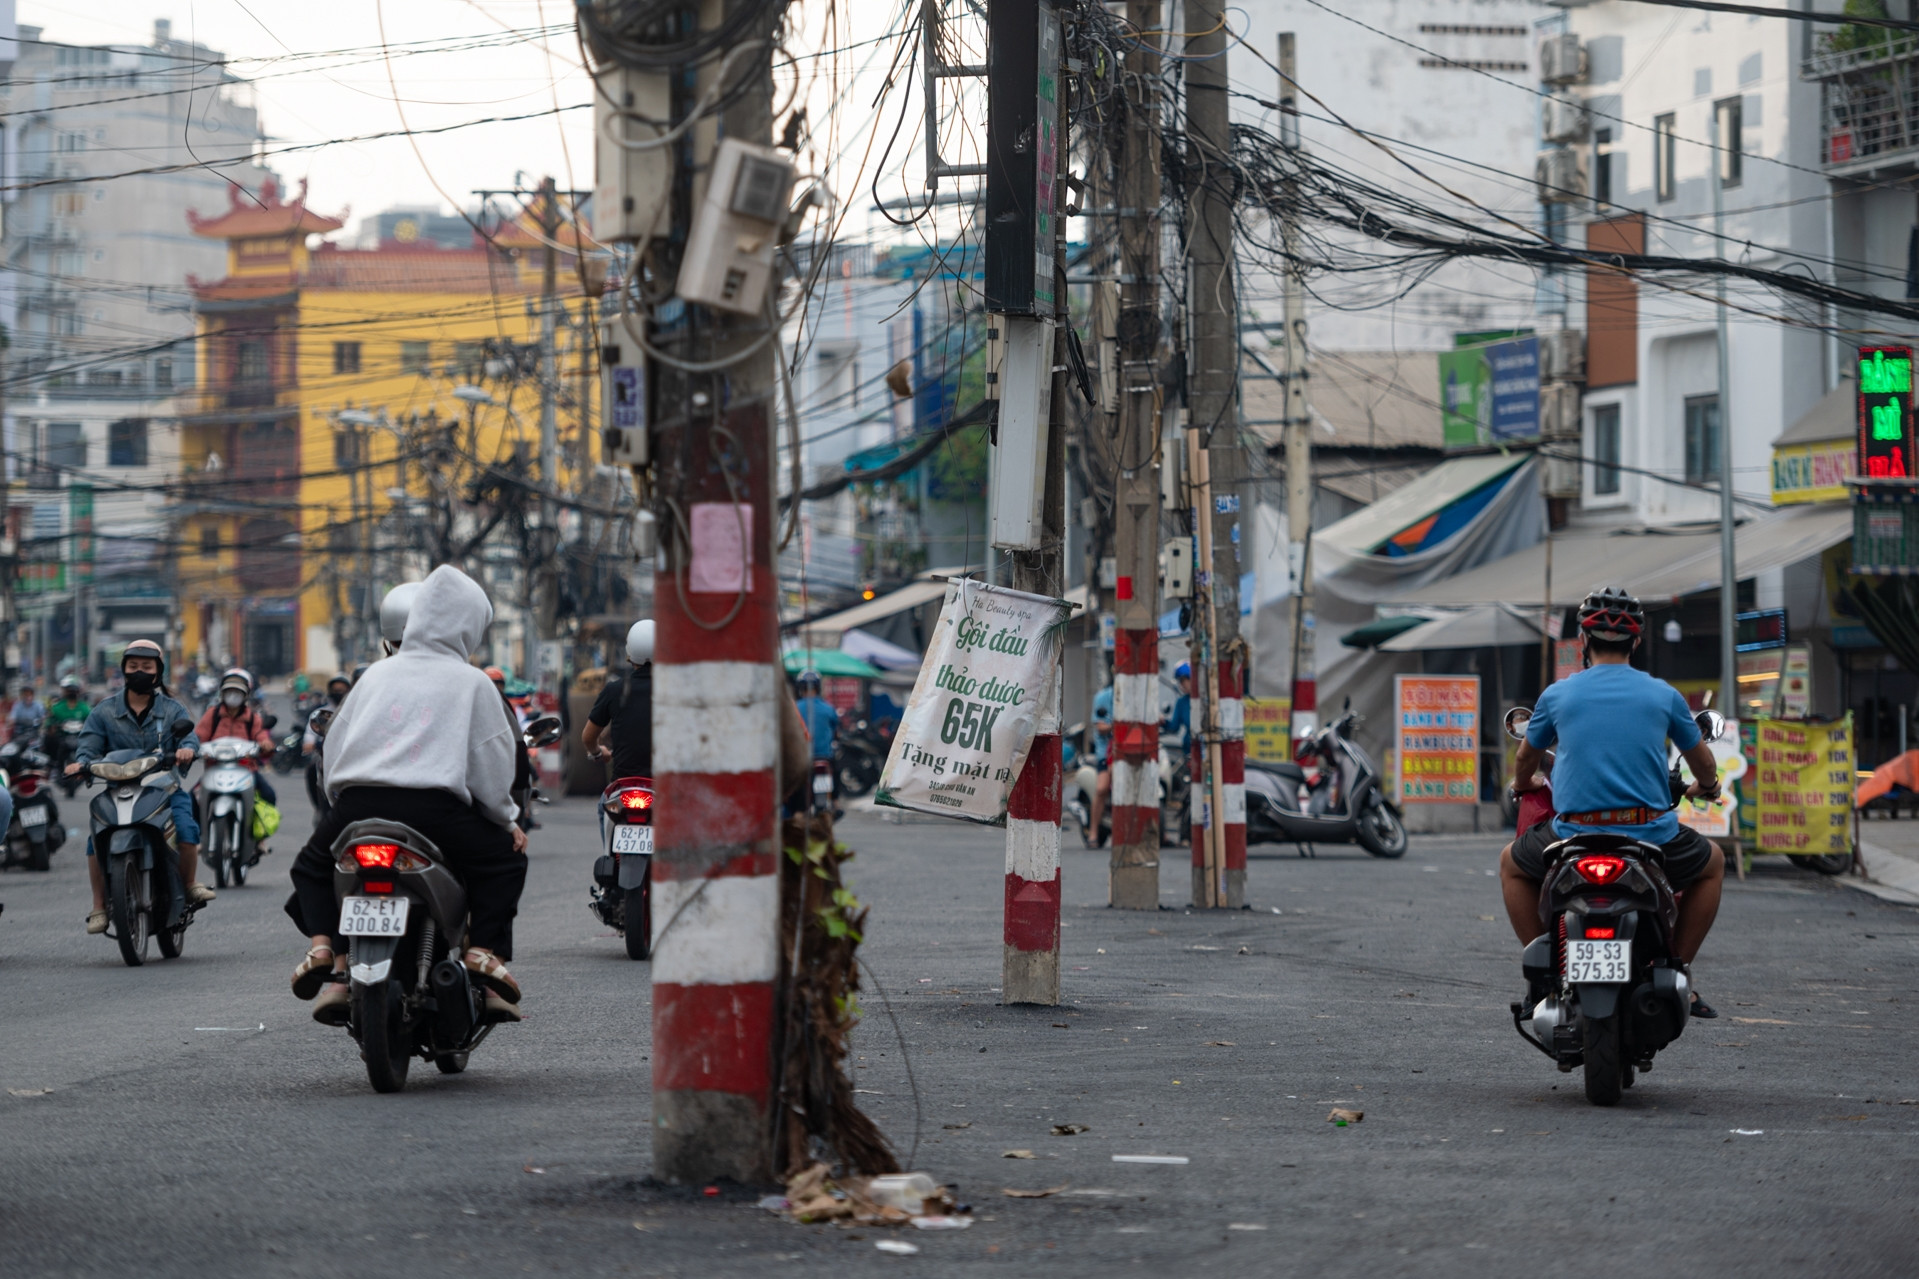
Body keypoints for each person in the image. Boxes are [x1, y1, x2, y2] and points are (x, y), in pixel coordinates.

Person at [286, 565, 528, 1025]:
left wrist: (341, 805)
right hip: (435, 811)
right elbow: (493, 767)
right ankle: (481, 952)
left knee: (312, 866)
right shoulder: (472, 681)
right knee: (503, 863)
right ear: (468, 626)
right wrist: (506, 820)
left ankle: (325, 951)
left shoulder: (377, 675)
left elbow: (333, 747)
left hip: (359, 806)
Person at [1503, 586, 1725, 1019]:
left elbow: (1526, 756)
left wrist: (1522, 781)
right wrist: (1708, 785)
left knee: (1510, 864)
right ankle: (1676, 969)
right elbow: (1702, 761)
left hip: (1572, 835)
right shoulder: (1664, 695)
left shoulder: (1558, 695)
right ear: (1636, 643)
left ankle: (1542, 979)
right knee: (1713, 863)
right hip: (1650, 836)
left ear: (1584, 642)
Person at [68, 640, 210, 933]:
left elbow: (189, 737)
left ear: (158, 672)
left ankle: (189, 883)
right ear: (124, 671)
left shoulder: (173, 709)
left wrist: (186, 749)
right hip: (117, 790)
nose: (139, 672)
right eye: (133, 667)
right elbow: (88, 745)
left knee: (186, 831)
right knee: (96, 841)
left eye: (146, 667)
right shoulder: (104, 711)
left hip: (164, 789)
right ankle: (98, 906)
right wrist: (80, 763)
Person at [193, 668, 279, 809]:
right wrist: (190, 748)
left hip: (246, 770)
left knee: (269, 795)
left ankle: (258, 829)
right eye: (229, 691)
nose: (233, 695)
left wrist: (266, 744)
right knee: (192, 801)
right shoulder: (212, 714)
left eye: (238, 692)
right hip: (215, 768)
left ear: (246, 695)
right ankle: (198, 830)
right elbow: (199, 735)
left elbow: (260, 734)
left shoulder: (252, 717)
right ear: (222, 693)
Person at [583, 622, 654, 782]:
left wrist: (598, 752)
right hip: (662, 785)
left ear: (629, 654)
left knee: (605, 806)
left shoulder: (613, 690)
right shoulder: (673, 693)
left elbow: (588, 737)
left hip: (623, 784)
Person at [791, 669, 840, 812]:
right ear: (818, 687)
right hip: (824, 757)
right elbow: (835, 729)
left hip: (801, 759)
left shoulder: (795, 708)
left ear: (801, 688)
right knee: (835, 769)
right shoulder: (828, 708)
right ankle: (836, 802)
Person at [1085, 684, 1114, 844]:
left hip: (1131, 753)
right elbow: (1100, 725)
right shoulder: (1103, 697)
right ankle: (1093, 832)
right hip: (1107, 753)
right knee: (1102, 788)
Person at [44, 676, 91, 757]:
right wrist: (52, 727)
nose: (71, 692)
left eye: (73, 690)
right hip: (61, 738)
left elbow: (91, 722)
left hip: (80, 738)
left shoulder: (85, 708)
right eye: (69, 690)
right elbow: (49, 723)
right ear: (64, 691)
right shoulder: (56, 708)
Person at [1161, 662, 1193, 754]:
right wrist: (1163, 722)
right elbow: (1174, 727)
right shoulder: (1181, 702)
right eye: (1180, 681)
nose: (1182, 684)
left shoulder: (1205, 699)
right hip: (1188, 747)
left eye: (1183, 680)